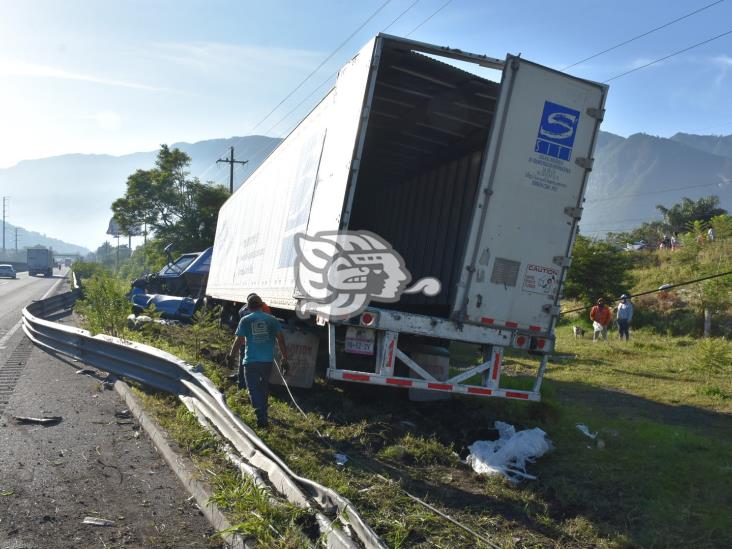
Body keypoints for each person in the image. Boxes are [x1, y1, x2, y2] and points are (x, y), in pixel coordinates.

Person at [226, 294, 288, 428]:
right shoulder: (272, 320)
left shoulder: (245, 320)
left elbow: (238, 341)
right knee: (263, 388)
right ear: (261, 305)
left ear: (248, 307)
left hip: (251, 361)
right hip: (267, 361)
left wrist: (231, 357)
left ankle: (261, 418)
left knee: (253, 389)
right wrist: (285, 358)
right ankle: (263, 414)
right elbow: (281, 340)